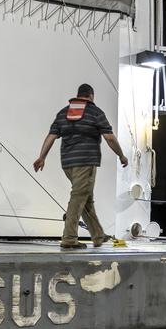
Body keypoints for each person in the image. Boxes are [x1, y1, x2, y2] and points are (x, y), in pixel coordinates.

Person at [33, 84, 128, 250]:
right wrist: (121, 155)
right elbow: (110, 138)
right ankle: (69, 238)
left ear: (78, 95)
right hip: (85, 161)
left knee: (85, 198)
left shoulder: (64, 112)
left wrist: (42, 157)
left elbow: (51, 136)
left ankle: (97, 235)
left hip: (68, 163)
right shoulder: (94, 112)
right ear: (91, 96)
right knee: (78, 197)